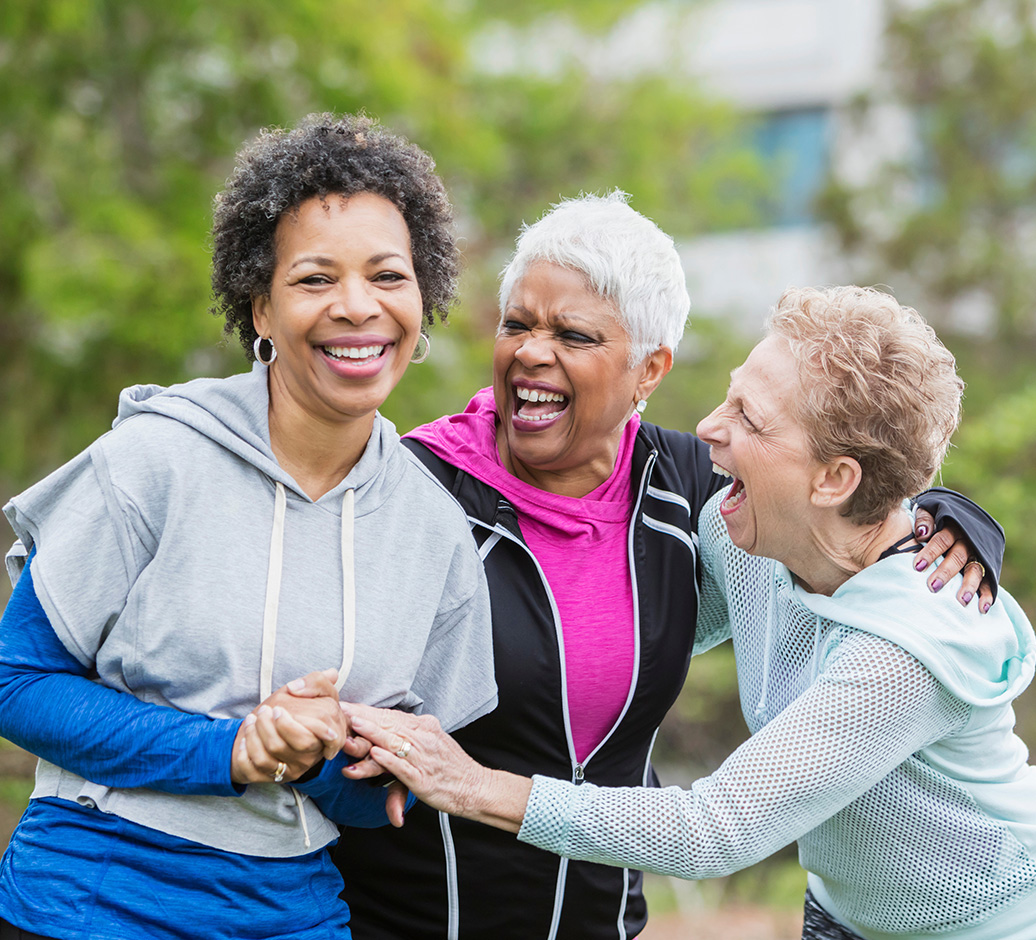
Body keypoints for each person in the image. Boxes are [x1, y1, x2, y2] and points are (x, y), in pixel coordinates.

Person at [324, 194, 1003, 940]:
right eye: (517, 323)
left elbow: (718, 828)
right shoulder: (746, 536)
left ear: (650, 368)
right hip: (829, 919)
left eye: (748, 416)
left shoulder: (877, 619)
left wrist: (472, 785)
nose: (710, 427)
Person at [0, 113, 496, 940]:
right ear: (259, 308)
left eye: (387, 275)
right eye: (313, 280)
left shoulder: (435, 534)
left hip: (293, 914)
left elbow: (386, 800)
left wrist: (331, 752)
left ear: (423, 296)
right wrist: (235, 749)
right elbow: (17, 682)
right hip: (90, 902)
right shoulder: (153, 461)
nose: (357, 307)